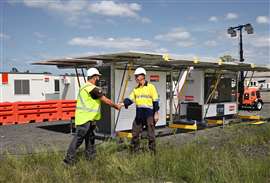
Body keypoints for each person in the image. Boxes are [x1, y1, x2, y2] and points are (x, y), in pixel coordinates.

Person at [64, 68, 121, 165]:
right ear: (94, 77)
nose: (98, 79)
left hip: (89, 119)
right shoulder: (91, 88)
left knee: (90, 138)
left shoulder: (85, 87)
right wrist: (116, 106)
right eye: (98, 77)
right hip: (85, 119)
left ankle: (90, 158)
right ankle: (68, 160)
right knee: (78, 139)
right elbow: (105, 100)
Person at [122, 67, 159, 153]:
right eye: (135, 76)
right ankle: (134, 152)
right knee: (135, 134)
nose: (135, 78)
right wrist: (122, 104)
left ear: (142, 76)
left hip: (149, 115)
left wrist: (156, 113)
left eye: (137, 76)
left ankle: (153, 153)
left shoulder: (151, 87)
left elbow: (155, 101)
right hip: (139, 115)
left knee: (151, 135)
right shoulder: (136, 89)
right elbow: (130, 99)